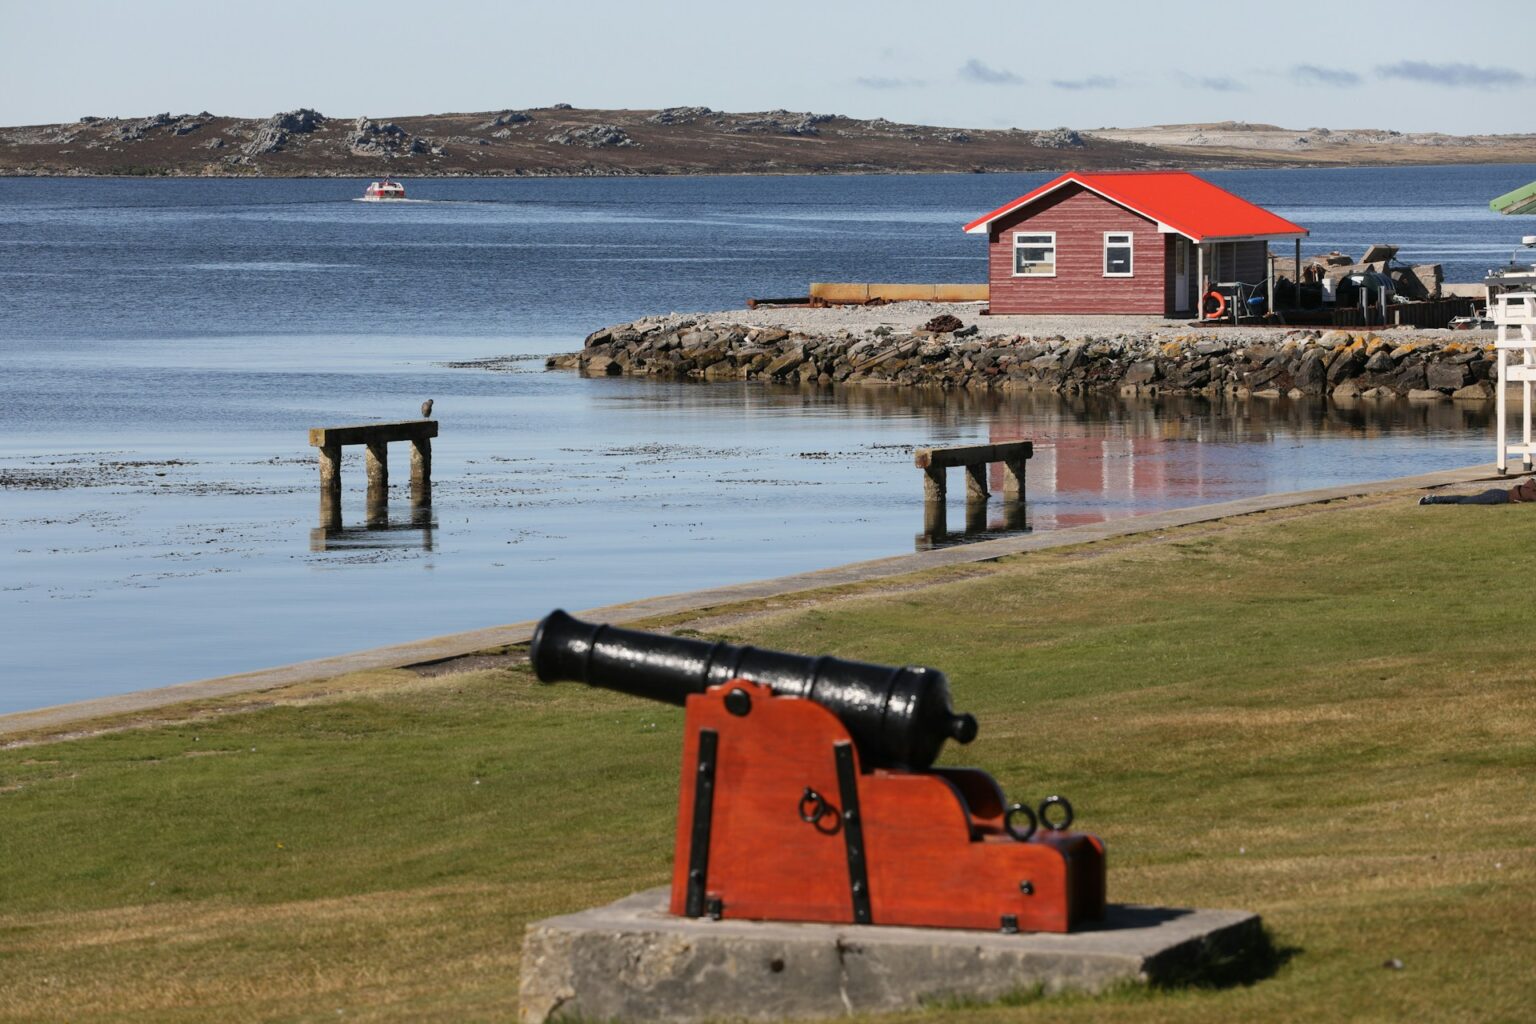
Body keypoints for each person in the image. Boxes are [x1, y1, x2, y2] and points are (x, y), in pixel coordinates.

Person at [1420, 478, 1536, 505]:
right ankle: (1432, 499)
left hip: (1499, 492)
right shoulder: (1532, 491)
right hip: (1497, 497)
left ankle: (1433, 499)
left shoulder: (1529, 485)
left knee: (1465, 499)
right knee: (1464, 502)